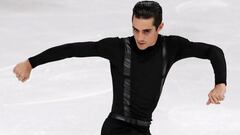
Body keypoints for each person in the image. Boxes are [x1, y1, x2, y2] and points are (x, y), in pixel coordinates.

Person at [13, 1, 227, 135]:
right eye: (135, 30)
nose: (139, 37)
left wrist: (220, 83)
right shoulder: (118, 47)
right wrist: (31, 62)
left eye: (146, 31)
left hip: (143, 129)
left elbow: (213, 51)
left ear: (160, 27)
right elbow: (73, 49)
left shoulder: (170, 47)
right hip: (116, 128)